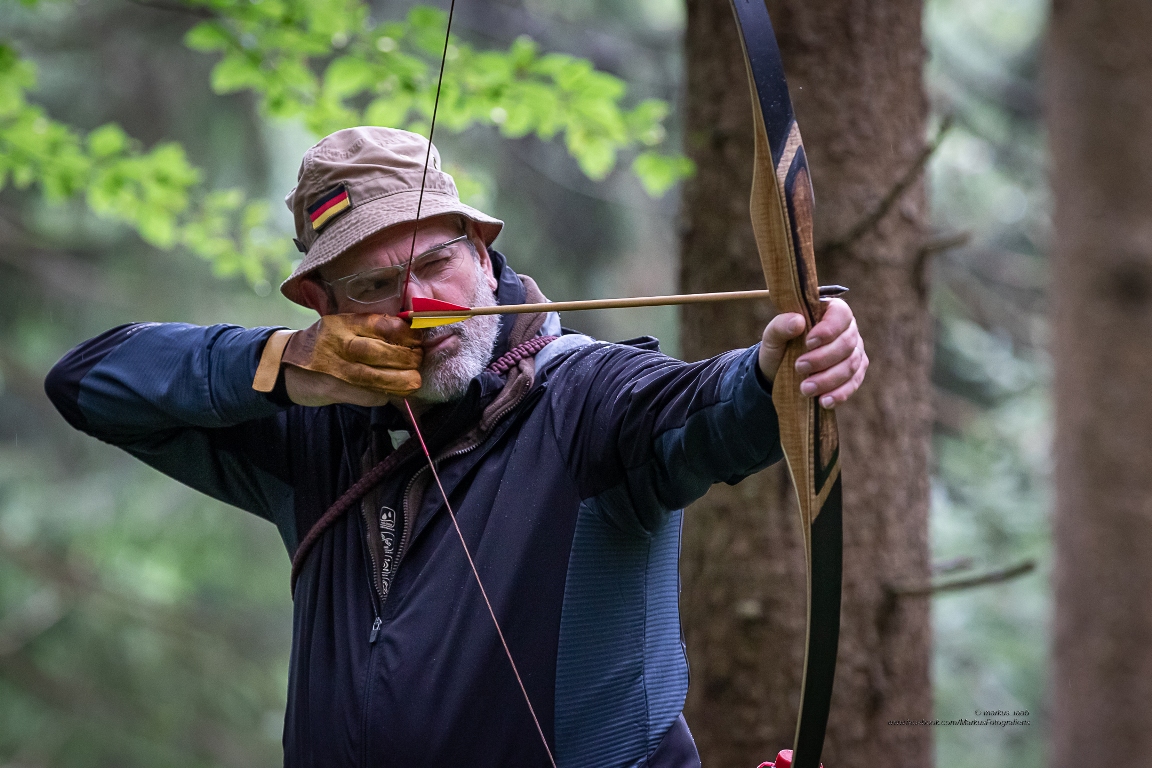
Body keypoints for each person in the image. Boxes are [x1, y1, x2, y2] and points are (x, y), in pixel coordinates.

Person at [45, 126, 868, 767]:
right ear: (320, 303)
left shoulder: (590, 402)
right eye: (371, 288)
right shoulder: (311, 431)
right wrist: (283, 364)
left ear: (480, 249)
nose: (419, 306)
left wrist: (780, 370)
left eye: (435, 261)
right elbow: (87, 383)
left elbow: (719, 413)